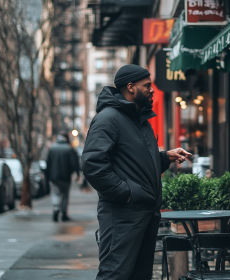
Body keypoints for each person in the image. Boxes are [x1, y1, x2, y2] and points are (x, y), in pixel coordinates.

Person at [81, 64, 191, 280]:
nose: (152, 90)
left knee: (139, 276)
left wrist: (164, 157)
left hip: (143, 215)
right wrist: (127, 193)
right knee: (115, 274)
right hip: (122, 215)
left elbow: (135, 165)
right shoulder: (108, 118)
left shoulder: (139, 120)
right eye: (147, 86)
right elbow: (93, 165)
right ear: (130, 87)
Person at [46, 131, 80, 222]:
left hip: (54, 177)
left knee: (55, 193)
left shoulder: (52, 148)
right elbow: (74, 163)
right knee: (65, 196)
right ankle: (64, 214)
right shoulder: (69, 148)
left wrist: (48, 176)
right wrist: (76, 173)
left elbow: (48, 164)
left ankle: (56, 208)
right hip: (66, 177)